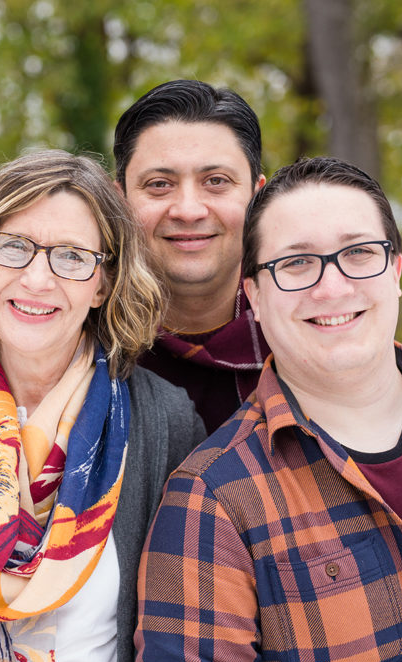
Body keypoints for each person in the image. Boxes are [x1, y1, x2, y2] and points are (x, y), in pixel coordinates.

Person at [136, 156, 402, 662]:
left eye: (358, 253)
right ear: (255, 296)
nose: (332, 288)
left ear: (395, 271)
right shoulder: (211, 502)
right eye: (296, 263)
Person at [0, 149, 205, 662]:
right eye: (14, 247)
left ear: (103, 283)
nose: (36, 279)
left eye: (71, 256)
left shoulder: (165, 421)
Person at [114, 79, 270, 433]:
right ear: (120, 202)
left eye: (216, 181)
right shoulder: (81, 339)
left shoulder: (306, 329)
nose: (188, 210)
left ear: (257, 198)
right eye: (159, 184)